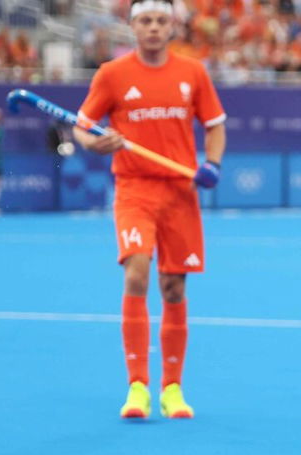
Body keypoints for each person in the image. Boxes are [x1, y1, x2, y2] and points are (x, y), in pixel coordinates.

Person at [73, 0, 226, 419]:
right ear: (132, 26)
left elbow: (215, 126)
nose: (153, 28)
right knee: (137, 271)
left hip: (180, 192)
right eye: (145, 21)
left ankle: (172, 389)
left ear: (172, 26)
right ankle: (137, 386)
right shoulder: (112, 74)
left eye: (161, 21)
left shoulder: (192, 72)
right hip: (134, 189)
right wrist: (94, 142)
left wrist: (212, 164)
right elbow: (81, 127)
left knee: (174, 287)